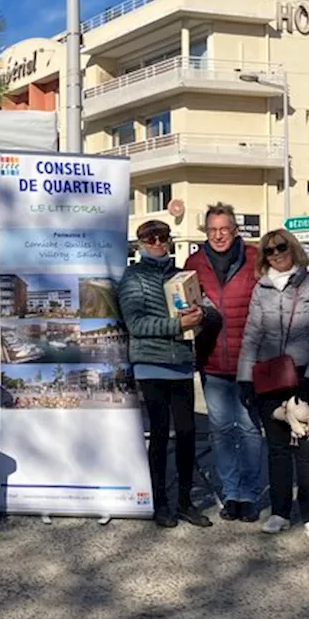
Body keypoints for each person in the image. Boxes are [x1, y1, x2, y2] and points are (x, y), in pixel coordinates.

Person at [238, 229, 309, 542]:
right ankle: (280, 512)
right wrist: (245, 377)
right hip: (271, 377)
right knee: (277, 448)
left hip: (306, 377)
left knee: (308, 448)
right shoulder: (261, 289)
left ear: (293, 248)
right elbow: (252, 335)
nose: (276, 253)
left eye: (282, 247)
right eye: (269, 250)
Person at [118, 220, 211, 529]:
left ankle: (185, 501)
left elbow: (204, 307)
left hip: (182, 363)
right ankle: (160, 503)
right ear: (141, 243)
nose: (157, 242)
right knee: (159, 435)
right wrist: (176, 326)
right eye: (150, 238)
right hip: (151, 364)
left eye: (162, 237)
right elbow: (136, 324)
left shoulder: (181, 274)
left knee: (187, 435)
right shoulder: (133, 277)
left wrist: (202, 314)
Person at [184, 203, 263, 523]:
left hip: (249, 361)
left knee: (247, 429)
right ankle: (231, 493)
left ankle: (250, 494)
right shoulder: (193, 263)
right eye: (212, 230)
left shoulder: (256, 258)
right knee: (220, 430)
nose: (218, 236)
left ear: (235, 231)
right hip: (212, 359)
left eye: (224, 229)